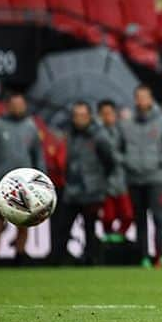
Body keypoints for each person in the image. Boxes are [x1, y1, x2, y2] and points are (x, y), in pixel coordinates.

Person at [0, 90, 46, 263]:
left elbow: (38, 155)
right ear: (7, 106)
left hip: (25, 185)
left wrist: (43, 180)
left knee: (24, 223)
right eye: (14, 105)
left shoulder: (30, 126)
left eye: (20, 105)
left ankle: (20, 255)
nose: (17, 108)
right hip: (0, 184)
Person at [119, 85, 162, 268]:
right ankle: (143, 256)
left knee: (159, 218)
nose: (141, 100)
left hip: (156, 178)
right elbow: (116, 148)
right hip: (134, 178)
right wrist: (126, 161)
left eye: (145, 97)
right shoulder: (126, 123)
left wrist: (160, 160)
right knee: (140, 219)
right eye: (138, 97)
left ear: (151, 99)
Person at [51, 101, 114, 264]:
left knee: (90, 228)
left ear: (89, 116)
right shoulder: (69, 134)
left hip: (92, 189)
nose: (79, 119)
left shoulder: (99, 135)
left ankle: (91, 260)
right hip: (71, 188)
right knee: (63, 227)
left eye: (82, 115)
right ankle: (58, 260)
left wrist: (99, 180)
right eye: (76, 115)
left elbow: (110, 160)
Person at [96, 99, 134, 236]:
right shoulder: (97, 134)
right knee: (108, 217)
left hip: (122, 181)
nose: (108, 117)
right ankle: (108, 239)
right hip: (104, 183)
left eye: (110, 113)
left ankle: (119, 238)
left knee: (128, 215)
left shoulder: (122, 131)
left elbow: (131, 150)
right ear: (99, 116)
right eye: (104, 114)